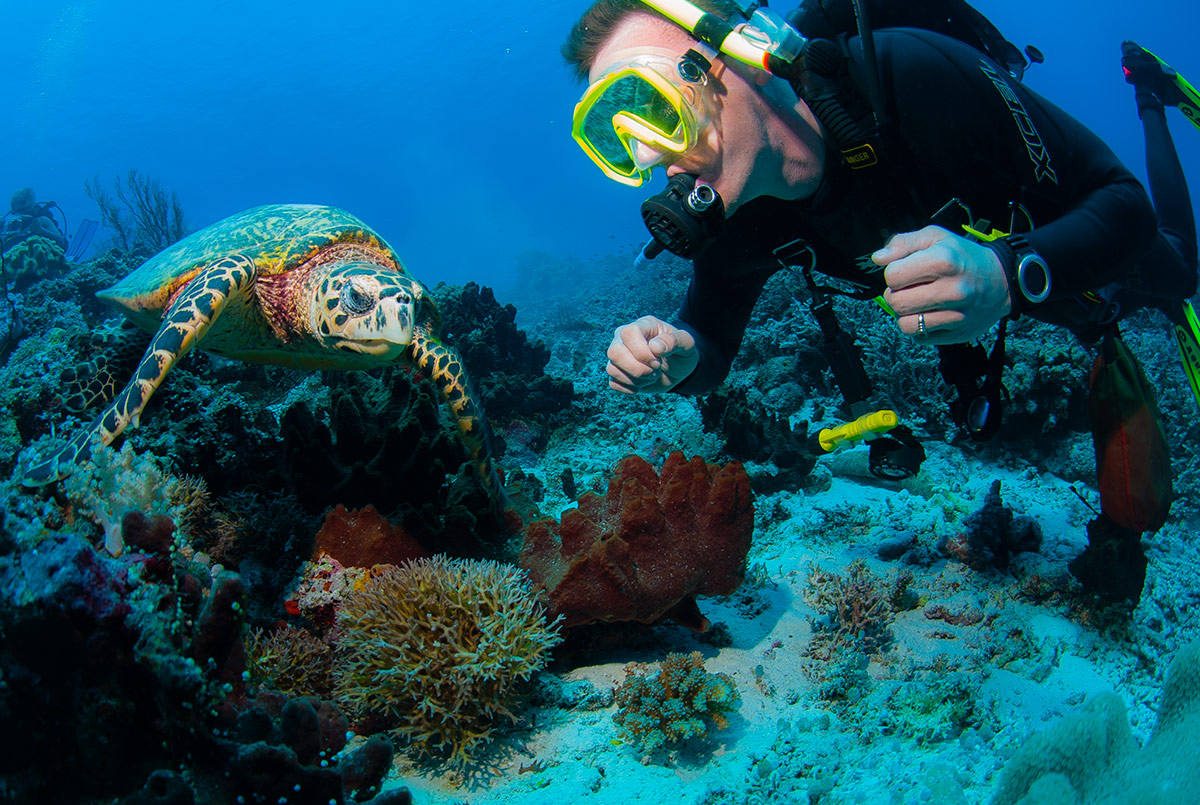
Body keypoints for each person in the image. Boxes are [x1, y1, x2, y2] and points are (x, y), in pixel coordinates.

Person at [562, 0, 1197, 405]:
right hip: (1003, 289)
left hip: (1057, 234)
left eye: (651, 105)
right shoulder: (738, 229)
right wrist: (677, 356)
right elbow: (712, 343)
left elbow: (1124, 205)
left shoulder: (909, 76)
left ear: (740, 60)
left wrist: (1007, 273)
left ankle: (1147, 91)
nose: (648, 158)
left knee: (1175, 273)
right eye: (614, 138)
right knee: (1094, 315)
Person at [2, 187, 68, 252]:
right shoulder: (8, 225)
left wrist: (41, 230)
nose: (24, 215)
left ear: (33, 207)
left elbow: (61, 244)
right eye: (20, 212)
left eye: (27, 211)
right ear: (13, 212)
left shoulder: (43, 221)